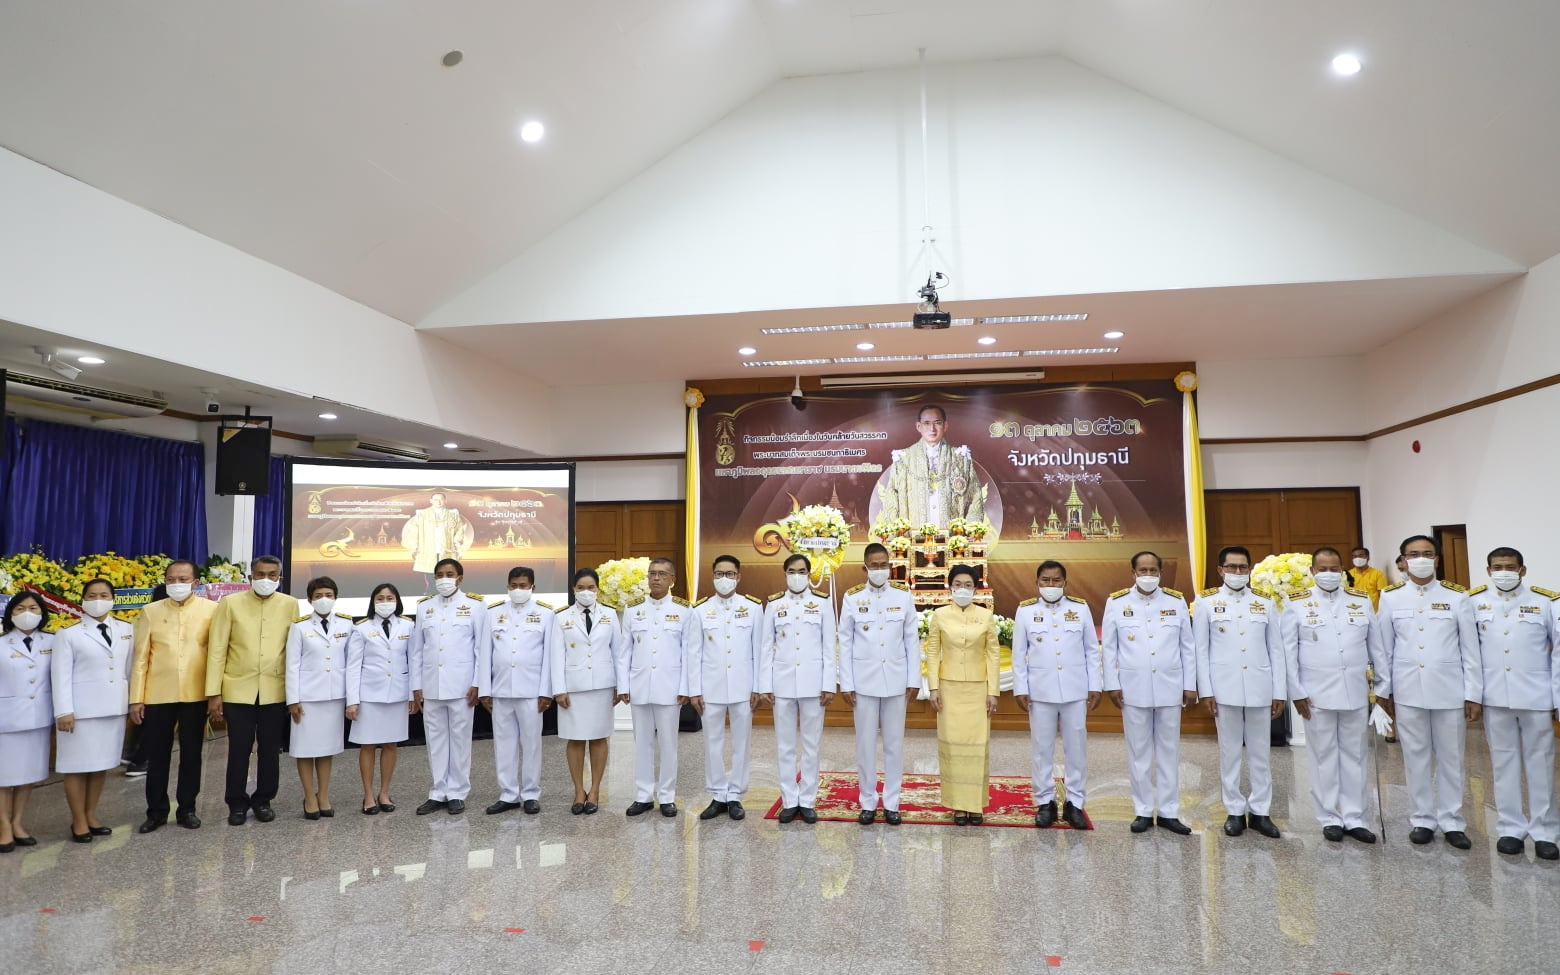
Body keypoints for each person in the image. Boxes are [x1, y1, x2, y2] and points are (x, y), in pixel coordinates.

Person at [1375, 534, 1481, 848]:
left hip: (1450, 691)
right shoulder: (1391, 597)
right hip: (1408, 691)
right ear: (1403, 561)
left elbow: (1470, 649)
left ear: (1436, 559)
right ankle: (1421, 819)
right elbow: (1384, 650)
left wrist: (1473, 693)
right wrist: (1384, 693)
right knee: (1415, 757)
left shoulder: (1457, 596)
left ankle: (1452, 821)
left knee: (1451, 758)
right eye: (1413, 554)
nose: (1420, 558)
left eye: (1427, 553)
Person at [1282, 547, 1386, 844]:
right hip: (1315, 694)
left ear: (1343, 571)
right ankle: (1329, 817)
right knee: (1323, 755)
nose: (1329, 574)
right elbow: (1288, 652)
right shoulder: (1296, 603)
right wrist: (1296, 692)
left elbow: (1376, 648)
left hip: (1355, 691)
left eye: (1335, 569)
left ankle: (1355, 817)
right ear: (1313, 572)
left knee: (1355, 755)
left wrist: (1381, 689)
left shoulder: (1360, 601)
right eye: (1323, 569)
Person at [1470, 547, 1559, 859]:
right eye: (1497, 566)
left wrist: (1558, 700)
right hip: (1494, 697)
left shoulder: (1546, 601)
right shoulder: (1475, 601)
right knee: (1503, 763)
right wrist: (1474, 695)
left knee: (1541, 763)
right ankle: (1509, 827)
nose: (1503, 571)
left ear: (1523, 570)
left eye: (1510, 566)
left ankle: (1546, 831)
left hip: (1536, 696)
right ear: (1488, 570)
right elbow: (1470, 653)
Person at [1194, 546, 1286, 838]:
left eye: (1242, 567)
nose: (1237, 573)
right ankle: (1234, 810)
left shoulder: (1264, 601)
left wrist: (1279, 692)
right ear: (1220, 570)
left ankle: (1261, 811)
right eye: (1231, 567)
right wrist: (1206, 691)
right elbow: (1201, 650)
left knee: (1261, 753)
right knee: (1229, 752)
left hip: (1260, 687)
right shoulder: (1207, 601)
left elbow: (1277, 650)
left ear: (1250, 570)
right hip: (1224, 689)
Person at [1102, 551, 1195, 835]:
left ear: (1161, 572)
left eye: (1153, 570)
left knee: (1169, 751)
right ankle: (1142, 810)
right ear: (1132, 573)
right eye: (1142, 570)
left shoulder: (1175, 601)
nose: (1148, 575)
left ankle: (1169, 811)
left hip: (1170, 687)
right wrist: (1112, 684)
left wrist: (1190, 684)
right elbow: (1108, 647)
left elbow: (1187, 647)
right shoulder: (1117, 602)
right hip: (1133, 689)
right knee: (1139, 752)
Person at [207, 555, 295, 826]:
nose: (265, 579)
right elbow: (217, 649)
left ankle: (263, 799)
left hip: (275, 689)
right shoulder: (230, 604)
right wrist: (214, 693)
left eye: (272, 575)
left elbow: (295, 651)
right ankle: (236, 802)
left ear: (280, 578)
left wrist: (296, 694)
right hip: (237, 689)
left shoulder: (290, 605)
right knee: (239, 748)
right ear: (250, 578)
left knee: (270, 749)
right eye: (260, 574)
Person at [130, 560, 217, 832]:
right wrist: (136, 698)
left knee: (192, 755)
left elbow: (217, 654)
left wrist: (216, 693)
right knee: (158, 755)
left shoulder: (212, 610)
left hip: (196, 692)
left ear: (196, 582)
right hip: (158, 693)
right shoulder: (150, 611)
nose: (176, 584)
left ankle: (187, 809)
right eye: (171, 579)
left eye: (183, 579)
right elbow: (140, 658)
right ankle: (156, 811)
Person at [1012, 559, 1100, 830]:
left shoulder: (1080, 608)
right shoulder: (1026, 611)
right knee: (1042, 749)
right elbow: (1018, 654)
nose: (1051, 585)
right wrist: (1021, 688)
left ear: (1065, 582)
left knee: (1076, 748)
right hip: (1040, 690)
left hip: (1074, 690)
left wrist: (1094, 685)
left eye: (1056, 581)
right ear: (1037, 583)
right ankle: (1044, 802)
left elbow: (1091, 651)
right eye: (1045, 581)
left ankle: (1075, 802)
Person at [839, 543, 921, 826]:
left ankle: (892, 802)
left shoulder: (903, 596)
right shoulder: (852, 599)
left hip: (896, 682)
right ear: (864, 568)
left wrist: (914, 680)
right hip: (863, 683)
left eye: (883, 564)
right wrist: (846, 683)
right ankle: (867, 802)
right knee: (864, 744)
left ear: (890, 566)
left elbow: (912, 640)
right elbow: (845, 643)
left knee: (894, 744)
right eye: (874, 565)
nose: (879, 570)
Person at [758, 554, 837, 824]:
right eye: (792, 571)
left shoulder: (822, 603)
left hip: (814, 684)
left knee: (812, 744)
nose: (797, 575)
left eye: (802, 571)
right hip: (782, 684)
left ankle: (808, 800)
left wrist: (829, 683)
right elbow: (766, 648)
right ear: (784, 573)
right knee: (785, 745)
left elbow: (829, 646)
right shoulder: (774, 604)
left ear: (809, 574)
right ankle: (790, 800)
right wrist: (764, 685)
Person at [52, 579, 133, 842]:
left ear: (113, 598)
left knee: (101, 765)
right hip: (80, 712)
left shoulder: (126, 630)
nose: (98, 599)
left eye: (104, 594)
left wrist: (133, 702)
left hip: (113, 709)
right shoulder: (69, 634)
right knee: (76, 767)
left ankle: (91, 814)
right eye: (92, 595)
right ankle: (78, 821)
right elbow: (60, 675)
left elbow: (129, 670)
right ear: (83, 600)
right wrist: (64, 710)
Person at [619, 558, 697, 818]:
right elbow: (624, 652)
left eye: (662, 574)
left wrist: (686, 686)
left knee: (668, 743)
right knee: (641, 743)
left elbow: (689, 652)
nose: (656, 578)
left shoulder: (684, 610)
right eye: (652, 573)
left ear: (672, 579)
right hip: (639, 686)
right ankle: (643, 795)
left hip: (670, 687)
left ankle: (666, 796)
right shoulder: (633, 610)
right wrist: (623, 685)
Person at [687, 554, 763, 821]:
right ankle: (718, 793)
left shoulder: (753, 608)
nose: (724, 579)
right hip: (711, 688)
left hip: (743, 688)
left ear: (739, 577)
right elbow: (693, 653)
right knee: (712, 742)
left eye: (730, 574)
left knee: (742, 742)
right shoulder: (700, 610)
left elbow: (759, 651)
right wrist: (694, 689)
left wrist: (758, 686)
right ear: (712, 576)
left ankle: (736, 796)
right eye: (719, 574)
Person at [410, 558, 488, 816]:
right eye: (440, 574)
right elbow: (417, 650)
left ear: (460, 578)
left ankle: (457, 792)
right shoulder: (424, 607)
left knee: (460, 740)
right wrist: (416, 685)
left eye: (449, 574)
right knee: (435, 740)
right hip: (432, 685)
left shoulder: (476, 606)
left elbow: (481, 650)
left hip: (463, 686)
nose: (444, 579)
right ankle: (438, 791)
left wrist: (478, 683)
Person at [925, 564, 1000, 824]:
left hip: (979, 689)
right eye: (958, 584)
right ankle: (957, 805)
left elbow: (992, 653)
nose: (963, 589)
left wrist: (994, 691)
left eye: (968, 585)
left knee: (977, 747)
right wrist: (933, 687)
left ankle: (975, 805)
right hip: (949, 689)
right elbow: (933, 652)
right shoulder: (940, 615)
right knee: (953, 748)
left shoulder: (986, 616)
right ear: (950, 586)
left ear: (976, 588)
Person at [480, 566, 555, 815]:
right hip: (501, 690)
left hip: (532, 691)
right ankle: (508, 794)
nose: (518, 590)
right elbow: (485, 654)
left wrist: (547, 691)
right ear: (507, 586)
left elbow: (549, 657)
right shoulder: (493, 613)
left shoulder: (546, 614)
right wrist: (485, 690)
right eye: (514, 585)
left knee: (531, 744)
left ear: (533, 587)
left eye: (523, 585)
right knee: (504, 744)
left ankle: (531, 793)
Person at [550, 567, 623, 815]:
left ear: (598, 589)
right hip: (573, 688)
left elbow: (618, 654)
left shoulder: (610, 615)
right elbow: (556, 655)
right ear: (573, 589)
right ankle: (579, 790)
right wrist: (558, 689)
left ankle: (595, 790)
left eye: (591, 587)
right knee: (576, 739)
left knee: (599, 738)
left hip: (602, 685)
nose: (586, 592)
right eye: (581, 587)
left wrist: (620, 687)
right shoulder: (560, 617)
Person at [346, 583, 420, 815]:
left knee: (391, 745)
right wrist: (352, 700)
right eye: (380, 598)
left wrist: (412, 694)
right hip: (369, 695)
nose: (385, 602)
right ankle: (368, 794)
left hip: (397, 694)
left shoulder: (409, 625)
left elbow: (413, 660)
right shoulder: (361, 628)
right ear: (373, 602)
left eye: (390, 598)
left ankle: (384, 792)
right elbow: (353, 666)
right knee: (367, 745)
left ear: (397, 600)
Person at [284, 576, 351, 819]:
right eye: (319, 595)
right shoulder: (299, 626)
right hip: (307, 699)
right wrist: (293, 699)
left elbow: (352, 663)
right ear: (310, 599)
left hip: (334, 697)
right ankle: (309, 796)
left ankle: (323, 795)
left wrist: (351, 698)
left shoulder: (346, 625)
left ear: (335, 597)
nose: (324, 599)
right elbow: (291, 665)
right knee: (305, 749)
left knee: (326, 749)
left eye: (329, 595)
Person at [876, 404, 986, 528]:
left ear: (945, 426)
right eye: (927, 423)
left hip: (954, 537)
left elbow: (975, 496)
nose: (932, 429)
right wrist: (894, 533)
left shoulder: (961, 458)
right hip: (913, 538)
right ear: (919, 426)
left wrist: (971, 530)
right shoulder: (903, 459)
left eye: (937, 423)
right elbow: (892, 498)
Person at [0, 593, 53, 851]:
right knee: (4, 777)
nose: (27, 612)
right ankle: (4, 826)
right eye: (20, 608)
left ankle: (18, 821)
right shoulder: (1, 644)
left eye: (33, 608)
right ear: (10, 613)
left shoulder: (53, 642)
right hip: (6, 721)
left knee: (27, 775)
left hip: (39, 718)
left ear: (42, 612)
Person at [400, 491, 475, 576]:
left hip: (447, 549)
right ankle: (430, 589)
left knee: (447, 574)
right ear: (431, 501)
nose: (438, 502)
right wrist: (414, 545)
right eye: (436, 500)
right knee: (430, 575)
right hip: (427, 549)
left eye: (441, 499)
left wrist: (457, 543)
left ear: (445, 501)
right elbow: (414, 531)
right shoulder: (422, 515)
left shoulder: (453, 515)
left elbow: (460, 530)